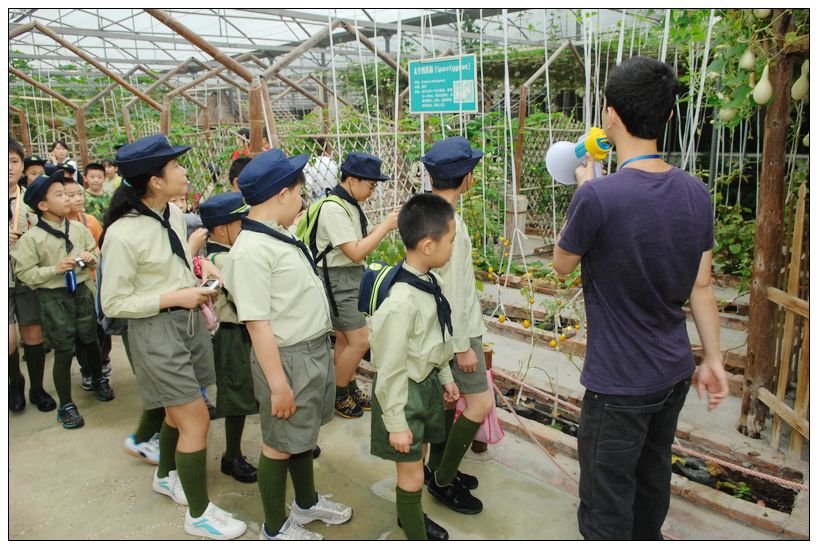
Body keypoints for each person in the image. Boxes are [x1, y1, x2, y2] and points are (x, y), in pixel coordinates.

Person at [552, 56, 728, 540]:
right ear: (669, 116)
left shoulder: (599, 198)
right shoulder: (696, 193)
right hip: (673, 372)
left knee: (607, 502)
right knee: (652, 484)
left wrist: (586, 190)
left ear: (609, 116)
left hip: (619, 384)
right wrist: (713, 358)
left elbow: (561, 264)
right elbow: (702, 285)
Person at [100, 134, 246, 540]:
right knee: (196, 418)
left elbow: (173, 260)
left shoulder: (174, 215)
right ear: (154, 181)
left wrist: (200, 269)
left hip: (187, 323)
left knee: (173, 413)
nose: (184, 171)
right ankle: (198, 514)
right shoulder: (123, 234)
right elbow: (113, 302)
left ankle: (166, 475)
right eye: (176, 167)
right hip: (156, 330)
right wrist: (175, 296)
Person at [222, 149, 352, 541]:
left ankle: (306, 503)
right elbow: (258, 324)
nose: (302, 200)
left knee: (302, 435)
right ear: (282, 194)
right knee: (279, 444)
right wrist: (278, 384)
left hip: (310, 351)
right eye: (299, 192)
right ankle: (274, 528)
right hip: (286, 359)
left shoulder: (278, 233)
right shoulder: (252, 250)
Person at [368, 193, 460, 541]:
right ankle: (413, 528)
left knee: (417, 462)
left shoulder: (427, 284)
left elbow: (435, 338)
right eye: (449, 240)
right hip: (402, 396)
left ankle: (411, 516)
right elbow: (389, 369)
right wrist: (395, 423)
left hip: (425, 385)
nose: (451, 247)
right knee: (411, 476)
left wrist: (447, 375)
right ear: (427, 245)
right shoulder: (400, 303)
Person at [10, 170, 116, 429]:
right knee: (64, 349)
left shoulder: (78, 228)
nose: (68, 198)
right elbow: (24, 273)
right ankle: (66, 404)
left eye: (67, 194)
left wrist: (91, 257)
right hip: (53, 297)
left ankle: (98, 378)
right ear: (43, 206)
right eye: (59, 195)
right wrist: (53, 269)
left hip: (80, 291)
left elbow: (94, 251)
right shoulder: (32, 239)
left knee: (90, 339)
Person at [422, 137, 491, 514]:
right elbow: (454, 292)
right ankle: (444, 480)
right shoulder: (449, 224)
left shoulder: (428, 215)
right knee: (479, 404)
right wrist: (462, 345)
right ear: (465, 177)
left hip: (440, 332)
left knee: (449, 403)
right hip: (458, 333)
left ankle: (438, 467)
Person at [313, 152, 399, 419]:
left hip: (349, 277)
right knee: (361, 340)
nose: (373, 191)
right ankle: (338, 395)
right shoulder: (333, 207)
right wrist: (385, 226)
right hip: (337, 278)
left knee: (345, 338)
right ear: (352, 179)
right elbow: (354, 252)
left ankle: (348, 386)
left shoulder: (349, 204)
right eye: (371, 185)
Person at [199, 192, 259, 483]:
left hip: (241, 330)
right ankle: (231, 456)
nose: (246, 227)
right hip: (233, 333)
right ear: (221, 229)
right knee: (236, 396)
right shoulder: (223, 258)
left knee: (247, 392)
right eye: (240, 222)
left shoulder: (219, 254)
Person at [8, 138, 50, 413]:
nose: (8, 167)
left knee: (33, 332)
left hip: (27, 274)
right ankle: (15, 382)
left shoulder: (31, 199)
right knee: (9, 339)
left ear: (22, 166)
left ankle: (37, 387)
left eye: (13, 161)